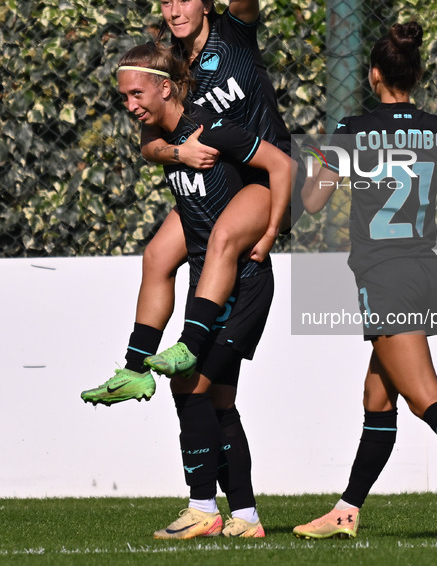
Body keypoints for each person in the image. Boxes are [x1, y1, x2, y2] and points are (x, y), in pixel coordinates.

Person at [292, 21, 437, 542]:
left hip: (385, 274)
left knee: (424, 397)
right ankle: (346, 510)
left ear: (374, 75)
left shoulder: (351, 131)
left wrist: (316, 158)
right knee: (378, 399)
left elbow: (312, 203)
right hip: (424, 271)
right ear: (415, 75)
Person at [84, 0, 301, 402]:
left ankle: (192, 343)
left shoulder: (234, 34)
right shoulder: (170, 64)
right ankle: (135, 368)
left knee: (226, 243)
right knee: (157, 255)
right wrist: (176, 152)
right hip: (221, 182)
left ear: (205, 3)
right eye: (166, 2)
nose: (174, 10)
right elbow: (148, 142)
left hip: (262, 173)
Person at [84, 43, 291, 539]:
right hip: (209, 285)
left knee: (190, 385)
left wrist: (269, 232)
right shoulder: (163, 136)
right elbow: (150, 145)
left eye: (137, 94)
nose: (130, 105)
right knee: (216, 401)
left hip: (242, 284)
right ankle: (244, 516)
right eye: (123, 97)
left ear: (166, 87)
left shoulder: (216, 128)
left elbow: (282, 165)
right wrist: (175, 151)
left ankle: (203, 508)